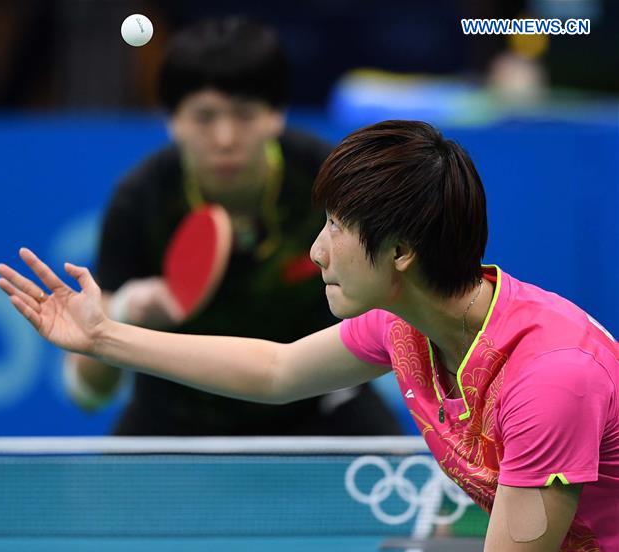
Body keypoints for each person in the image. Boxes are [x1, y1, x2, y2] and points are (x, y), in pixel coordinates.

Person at [0, 120, 618, 552]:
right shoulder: (406, 324)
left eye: (337, 228)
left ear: (401, 251)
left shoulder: (548, 381)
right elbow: (276, 370)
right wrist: (104, 336)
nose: (316, 251)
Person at [63, 16, 402, 436]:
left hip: (322, 404)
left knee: (404, 470)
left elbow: (398, 314)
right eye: (204, 117)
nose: (225, 138)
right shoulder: (141, 200)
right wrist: (126, 311)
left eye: (244, 114)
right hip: (177, 413)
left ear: (276, 114)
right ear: (173, 120)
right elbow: (87, 394)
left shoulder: (329, 182)